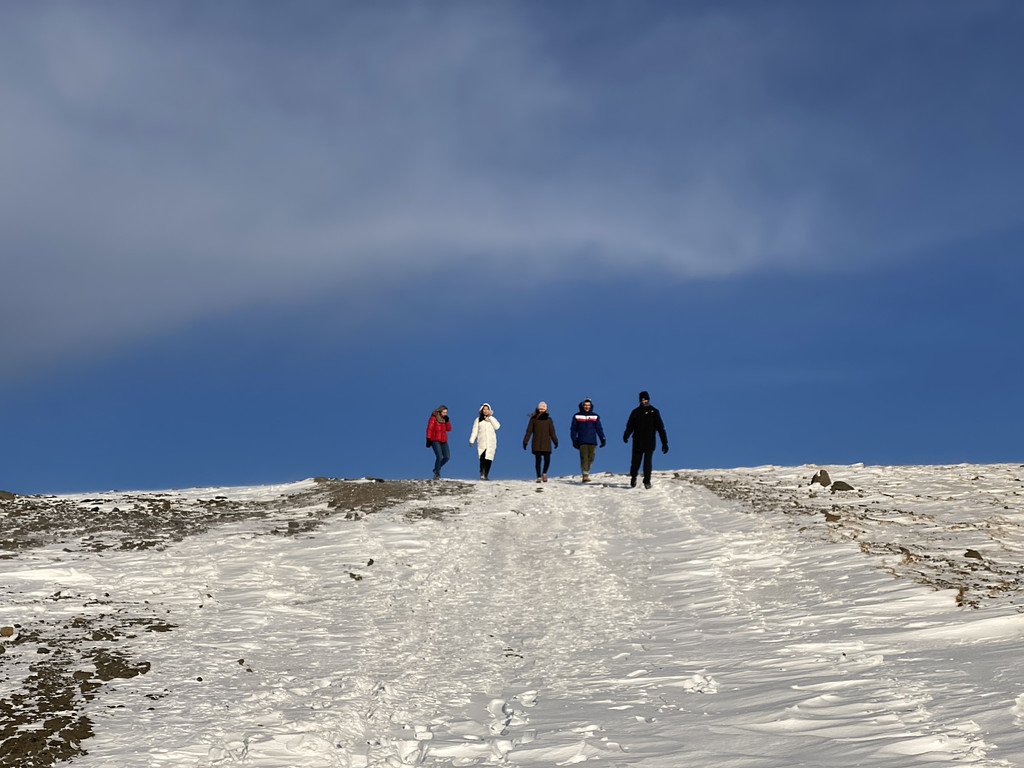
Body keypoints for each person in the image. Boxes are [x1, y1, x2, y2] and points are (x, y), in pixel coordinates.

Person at [623, 390, 668, 489]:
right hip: (637, 442)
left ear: (649, 399)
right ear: (640, 401)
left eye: (646, 399)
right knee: (635, 463)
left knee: (647, 463)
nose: (644, 402)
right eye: (642, 400)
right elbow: (630, 426)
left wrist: (664, 443)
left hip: (650, 442)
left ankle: (647, 481)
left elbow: (660, 428)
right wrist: (626, 435)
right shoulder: (635, 412)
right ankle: (633, 476)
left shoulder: (654, 412)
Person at [569, 397, 605, 483]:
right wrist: (574, 440)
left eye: (588, 405)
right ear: (582, 405)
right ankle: (585, 475)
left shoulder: (595, 416)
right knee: (584, 458)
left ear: (591, 406)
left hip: (592, 441)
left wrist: (602, 438)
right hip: (582, 441)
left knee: (591, 458)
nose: (586, 407)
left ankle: (587, 471)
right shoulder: (577, 416)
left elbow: (599, 428)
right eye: (585, 405)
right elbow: (573, 429)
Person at [523, 401, 558, 483]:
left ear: (546, 410)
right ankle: (538, 476)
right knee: (538, 460)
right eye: (540, 409)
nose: (541, 410)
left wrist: (555, 441)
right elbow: (529, 431)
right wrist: (525, 441)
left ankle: (544, 473)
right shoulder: (533, 419)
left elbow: (552, 432)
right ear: (538, 409)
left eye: (543, 409)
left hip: (546, 443)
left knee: (547, 460)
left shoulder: (549, 420)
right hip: (536, 443)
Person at [469, 403, 501, 480]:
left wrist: (490, 419)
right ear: (481, 410)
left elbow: (497, 427)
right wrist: (472, 440)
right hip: (482, 442)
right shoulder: (478, 420)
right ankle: (482, 473)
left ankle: (486, 474)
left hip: (491, 442)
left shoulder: (492, 419)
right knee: (482, 458)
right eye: (484, 409)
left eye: (487, 409)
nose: (485, 411)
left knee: (489, 459)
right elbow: (475, 431)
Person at [426, 405, 452, 480]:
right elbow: (429, 429)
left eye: (446, 412)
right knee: (439, 456)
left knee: (447, 457)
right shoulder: (433, 418)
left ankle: (436, 468)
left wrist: (447, 421)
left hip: (443, 440)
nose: (445, 414)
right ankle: (437, 473)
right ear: (440, 411)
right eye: (444, 412)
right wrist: (428, 439)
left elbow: (449, 429)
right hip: (435, 439)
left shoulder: (445, 419)